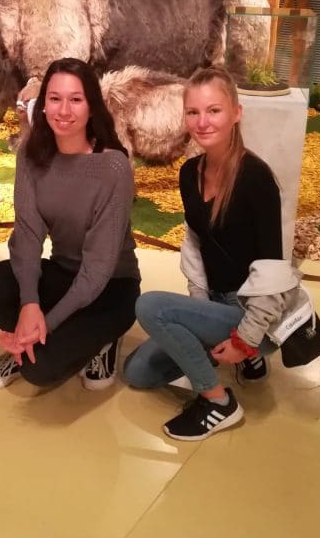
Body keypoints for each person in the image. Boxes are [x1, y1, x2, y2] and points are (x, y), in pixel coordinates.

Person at [123, 65, 305, 441]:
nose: (202, 122)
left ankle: (219, 400)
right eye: (193, 112)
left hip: (253, 311)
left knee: (150, 306)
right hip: (215, 304)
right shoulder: (189, 173)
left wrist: (245, 339)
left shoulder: (256, 178)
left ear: (236, 113)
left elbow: (274, 270)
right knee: (138, 373)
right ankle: (236, 356)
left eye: (214, 110)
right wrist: (198, 306)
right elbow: (196, 243)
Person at [0, 58, 140, 391]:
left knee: (40, 371)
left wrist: (44, 324)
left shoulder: (112, 167)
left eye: (76, 99)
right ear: (43, 105)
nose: (64, 110)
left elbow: (96, 271)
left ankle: (93, 341)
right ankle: (30, 344)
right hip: (62, 273)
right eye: (55, 98)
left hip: (110, 287)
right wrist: (29, 304)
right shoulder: (31, 156)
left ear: (91, 107)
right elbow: (27, 235)